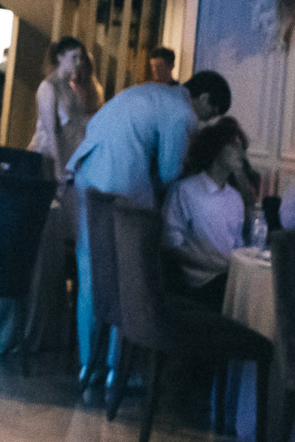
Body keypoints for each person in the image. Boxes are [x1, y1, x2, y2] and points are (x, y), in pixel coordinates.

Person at [68, 70, 232, 384]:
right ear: (204, 98)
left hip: (88, 172)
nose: (205, 122)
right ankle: (116, 368)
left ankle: (88, 364)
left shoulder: (152, 91)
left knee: (91, 274)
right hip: (122, 184)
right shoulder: (183, 113)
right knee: (123, 278)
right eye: (211, 114)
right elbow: (170, 172)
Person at [161, 117, 253, 309]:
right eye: (234, 146)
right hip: (200, 284)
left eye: (242, 148)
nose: (241, 153)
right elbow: (171, 246)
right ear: (217, 149)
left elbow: (237, 245)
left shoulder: (235, 197)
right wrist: (217, 266)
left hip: (229, 278)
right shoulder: (185, 191)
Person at [30, 35, 104, 180]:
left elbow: (77, 125)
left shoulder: (70, 87)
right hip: (47, 159)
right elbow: (51, 133)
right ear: (60, 57)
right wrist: (58, 170)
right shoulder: (48, 87)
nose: (78, 63)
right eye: (74, 58)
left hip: (64, 157)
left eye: (79, 58)